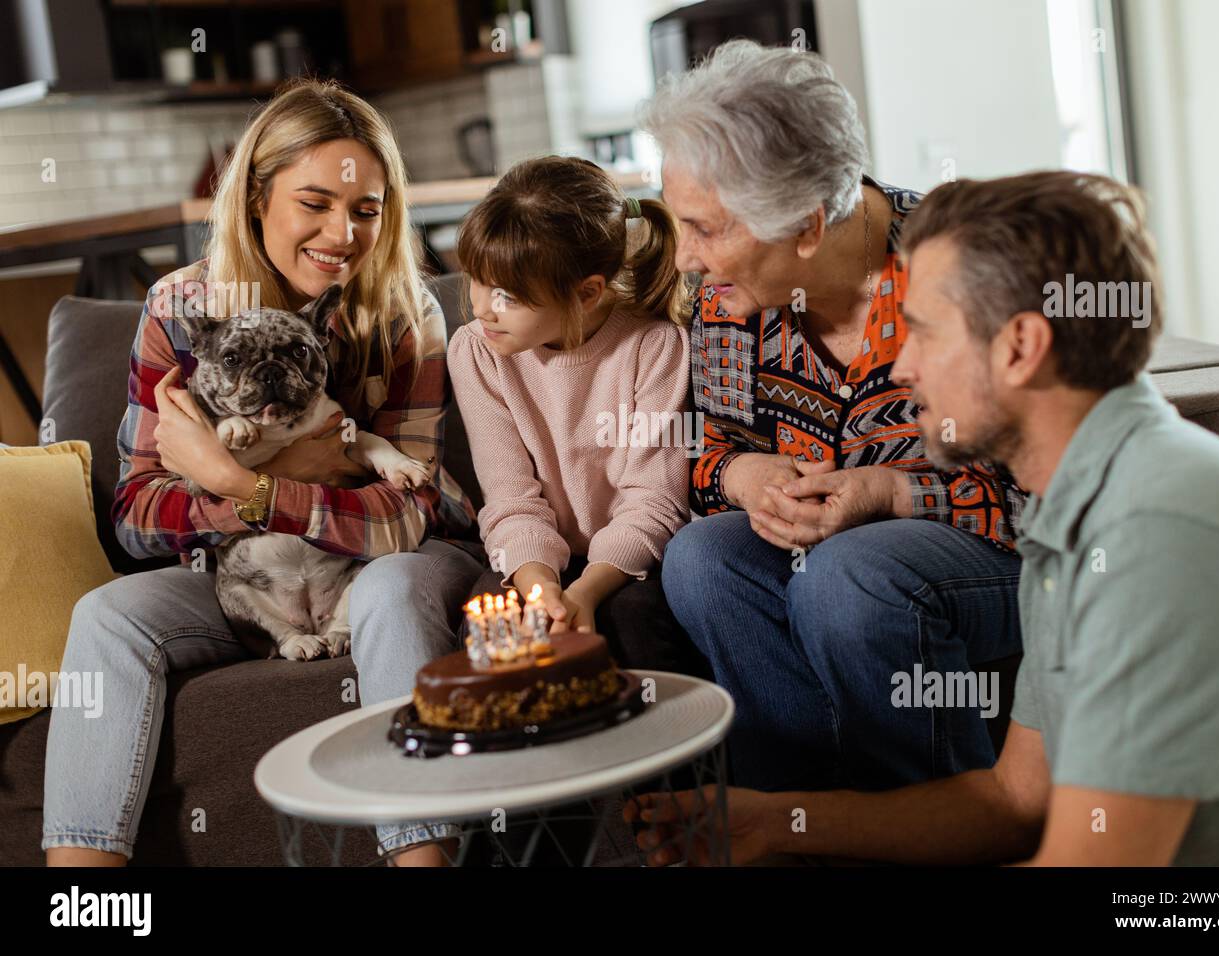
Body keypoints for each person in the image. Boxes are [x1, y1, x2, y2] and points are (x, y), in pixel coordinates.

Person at [628, 170, 1219, 866]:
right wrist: (777, 822)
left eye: (921, 331)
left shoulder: (1159, 537)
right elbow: (1013, 803)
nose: (899, 368)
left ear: (1019, 346)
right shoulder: (1077, 508)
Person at [43, 79, 483, 867]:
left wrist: (247, 482)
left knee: (386, 589)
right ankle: (80, 897)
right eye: (314, 202)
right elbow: (139, 519)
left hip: (376, 564)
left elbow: (411, 513)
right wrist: (252, 492)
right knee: (106, 615)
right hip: (241, 577)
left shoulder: (403, 310)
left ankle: (420, 860)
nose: (341, 232)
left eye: (365, 210)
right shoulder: (180, 308)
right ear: (254, 197)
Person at [641, 39, 1025, 792]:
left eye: (707, 229)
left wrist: (891, 495)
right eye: (677, 222)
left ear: (809, 226)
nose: (684, 258)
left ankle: (936, 828)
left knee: (847, 574)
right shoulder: (728, 300)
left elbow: (1054, 499)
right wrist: (744, 474)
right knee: (703, 560)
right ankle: (797, 821)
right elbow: (709, 451)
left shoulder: (971, 268)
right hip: (847, 567)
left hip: (1012, 559)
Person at [448, 156, 708, 676]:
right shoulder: (476, 351)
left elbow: (654, 501)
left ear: (587, 292)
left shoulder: (655, 346)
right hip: (535, 556)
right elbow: (510, 498)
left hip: (632, 561)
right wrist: (544, 590)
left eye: (508, 296)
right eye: (477, 281)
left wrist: (586, 592)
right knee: (493, 629)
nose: (482, 307)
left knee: (632, 622)